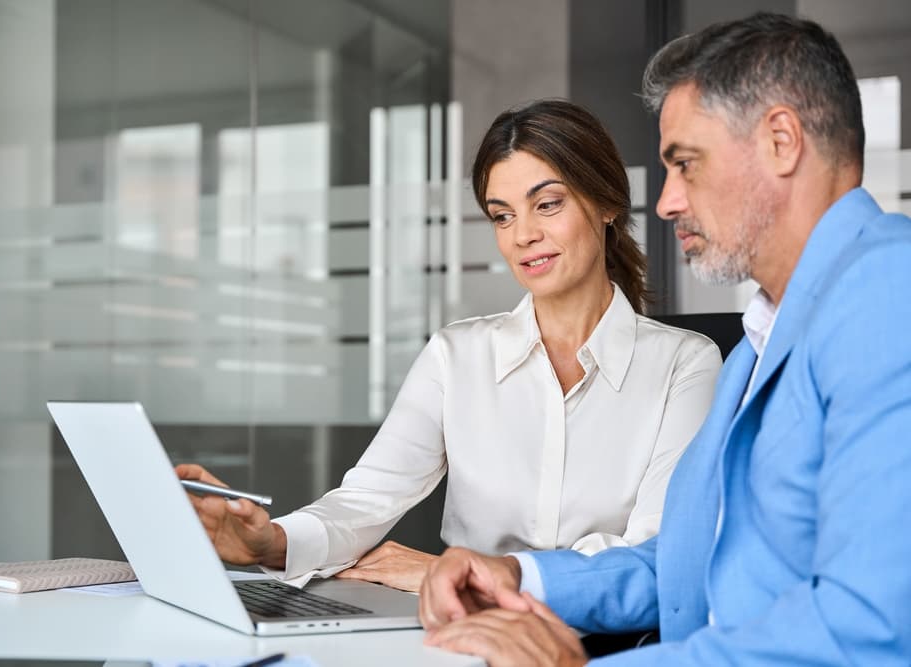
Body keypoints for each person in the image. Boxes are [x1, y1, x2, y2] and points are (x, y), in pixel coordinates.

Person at [418, 11, 911, 666]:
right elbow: (683, 571)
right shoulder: (758, 345)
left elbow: (867, 627)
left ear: (782, 141)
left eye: (686, 164)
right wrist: (519, 576)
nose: (669, 199)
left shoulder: (888, 291)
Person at [177, 100, 722, 593]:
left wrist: (459, 574)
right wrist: (273, 542)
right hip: (461, 637)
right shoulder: (456, 355)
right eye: (502, 214)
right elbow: (368, 498)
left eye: (547, 204)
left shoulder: (686, 364)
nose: (521, 235)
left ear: (607, 205)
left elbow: (657, 549)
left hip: (611, 646)